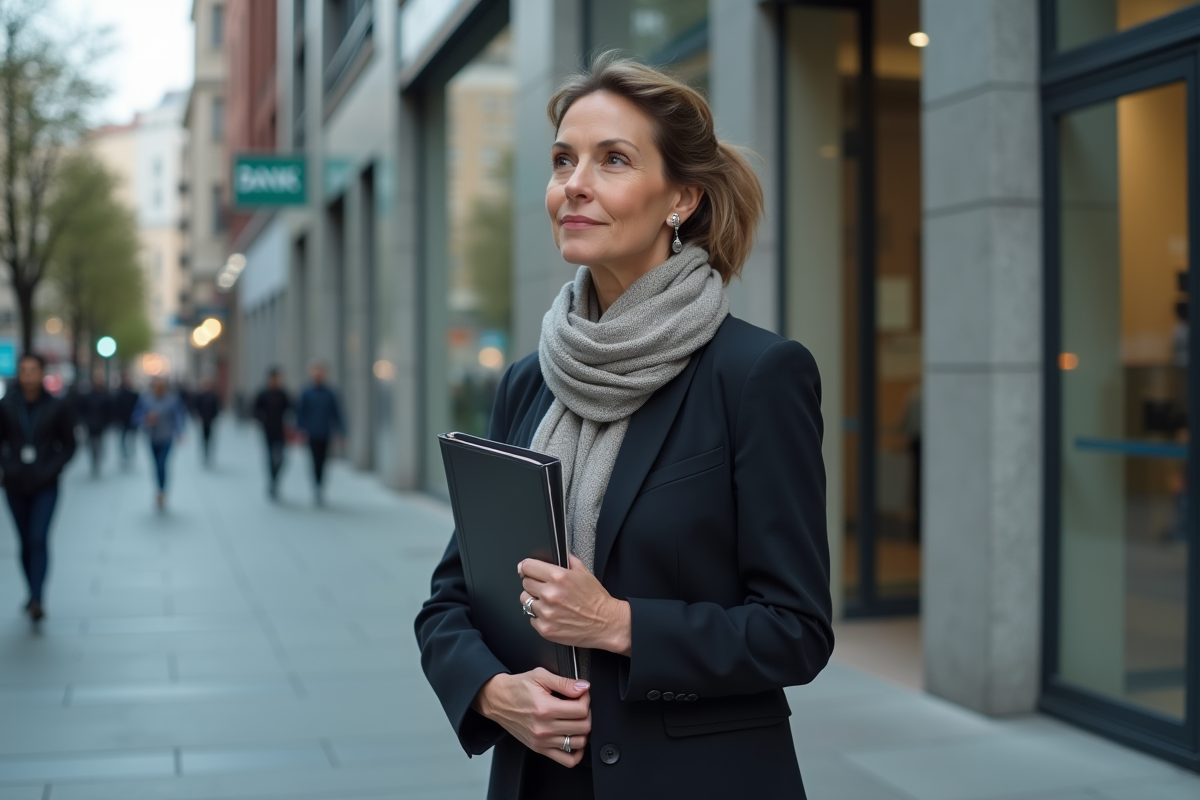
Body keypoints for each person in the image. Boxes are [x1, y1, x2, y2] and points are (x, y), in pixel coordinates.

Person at [414, 55, 833, 799]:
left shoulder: (756, 376)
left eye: (613, 160)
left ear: (683, 198)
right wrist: (489, 692)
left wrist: (619, 622)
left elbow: (795, 629)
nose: (573, 183)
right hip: (539, 778)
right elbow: (451, 598)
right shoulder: (528, 381)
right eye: (562, 161)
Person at [0, 353, 76, 623]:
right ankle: (30, 591)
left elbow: (69, 445)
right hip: (15, 484)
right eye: (23, 370)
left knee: (38, 538)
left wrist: (51, 468)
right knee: (23, 541)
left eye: (33, 370)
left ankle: (37, 596)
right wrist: (9, 466)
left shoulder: (57, 407)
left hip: (46, 484)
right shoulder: (6, 405)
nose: (28, 375)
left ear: (42, 373)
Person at [133, 377, 187, 510]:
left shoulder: (173, 399)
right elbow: (136, 416)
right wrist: (146, 419)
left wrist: (179, 432)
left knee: (163, 464)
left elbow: (179, 416)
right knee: (156, 465)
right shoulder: (146, 399)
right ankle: (158, 488)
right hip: (152, 437)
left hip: (167, 437)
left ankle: (162, 491)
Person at [295, 363, 344, 506]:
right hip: (312, 432)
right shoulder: (307, 392)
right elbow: (301, 413)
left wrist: (341, 432)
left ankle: (320, 485)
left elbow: (336, 414)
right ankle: (316, 485)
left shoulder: (330, 393)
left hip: (325, 432)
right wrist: (300, 429)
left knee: (323, 461)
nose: (318, 375)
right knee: (314, 460)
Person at [253, 367, 291, 499]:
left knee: (281, 458)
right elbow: (255, 410)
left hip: (280, 430)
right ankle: (272, 482)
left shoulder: (282, 394)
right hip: (267, 430)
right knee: (270, 457)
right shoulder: (263, 394)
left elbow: (290, 408)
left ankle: (275, 479)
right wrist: (261, 419)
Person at [76, 369, 111, 476]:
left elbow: (109, 410)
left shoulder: (105, 395)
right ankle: (94, 461)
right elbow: (82, 409)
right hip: (90, 424)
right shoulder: (87, 395)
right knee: (92, 445)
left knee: (99, 444)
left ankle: (97, 459)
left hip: (101, 424)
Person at [192, 379, 222, 466]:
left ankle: (209, 454)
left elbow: (216, 408)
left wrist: (214, 417)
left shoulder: (213, 396)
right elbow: (196, 406)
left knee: (210, 438)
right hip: (203, 420)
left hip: (210, 420)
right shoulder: (200, 396)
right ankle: (204, 454)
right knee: (203, 438)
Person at [112, 372, 140, 467]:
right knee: (124, 439)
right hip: (124, 421)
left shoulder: (133, 394)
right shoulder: (120, 394)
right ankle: (126, 455)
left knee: (129, 439)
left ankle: (129, 455)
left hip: (130, 421)